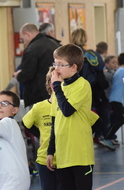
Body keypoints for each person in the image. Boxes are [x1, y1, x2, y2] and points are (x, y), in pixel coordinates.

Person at [23, 66, 101, 190]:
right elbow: (26, 123)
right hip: (46, 158)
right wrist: (42, 136)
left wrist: (80, 135)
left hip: (68, 157)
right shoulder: (40, 106)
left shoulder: (76, 99)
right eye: (53, 80)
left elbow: (96, 122)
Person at [46, 44, 94, 190]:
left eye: (61, 64)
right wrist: (50, 151)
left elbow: (67, 110)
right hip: (62, 155)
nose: (56, 69)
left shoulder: (82, 85)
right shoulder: (58, 89)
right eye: (55, 64)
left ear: (73, 67)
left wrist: (57, 87)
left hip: (79, 155)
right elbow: (55, 121)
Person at [70, 28, 113, 150]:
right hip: (94, 89)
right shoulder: (92, 55)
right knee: (94, 112)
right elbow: (100, 72)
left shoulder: (70, 54)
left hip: (76, 89)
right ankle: (99, 135)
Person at [0, 90, 30, 190]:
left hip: (15, 181)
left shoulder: (9, 123)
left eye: (5, 103)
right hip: (2, 181)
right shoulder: (1, 130)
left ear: (15, 110)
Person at [15, 23, 60, 108]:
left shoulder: (32, 49)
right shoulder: (53, 44)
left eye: (22, 39)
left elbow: (27, 74)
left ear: (27, 34)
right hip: (56, 91)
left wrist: (18, 75)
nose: (23, 43)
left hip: (38, 96)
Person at [105, 53, 124, 144]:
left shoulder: (120, 70)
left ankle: (109, 136)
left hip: (117, 99)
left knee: (116, 119)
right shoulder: (122, 71)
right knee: (120, 120)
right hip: (117, 99)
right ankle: (107, 137)